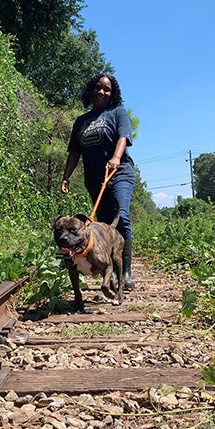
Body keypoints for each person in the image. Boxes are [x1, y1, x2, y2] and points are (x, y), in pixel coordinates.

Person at [60, 72, 136, 291]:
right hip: (94, 178)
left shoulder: (117, 113)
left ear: (113, 94)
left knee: (121, 218)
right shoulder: (81, 121)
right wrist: (66, 176)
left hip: (119, 171)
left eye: (107, 89)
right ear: (91, 90)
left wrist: (115, 158)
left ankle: (126, 274)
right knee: (103, 224)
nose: (102, 92)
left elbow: (123, 137)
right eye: (99, 87)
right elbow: (74, 153)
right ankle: (109, 272)